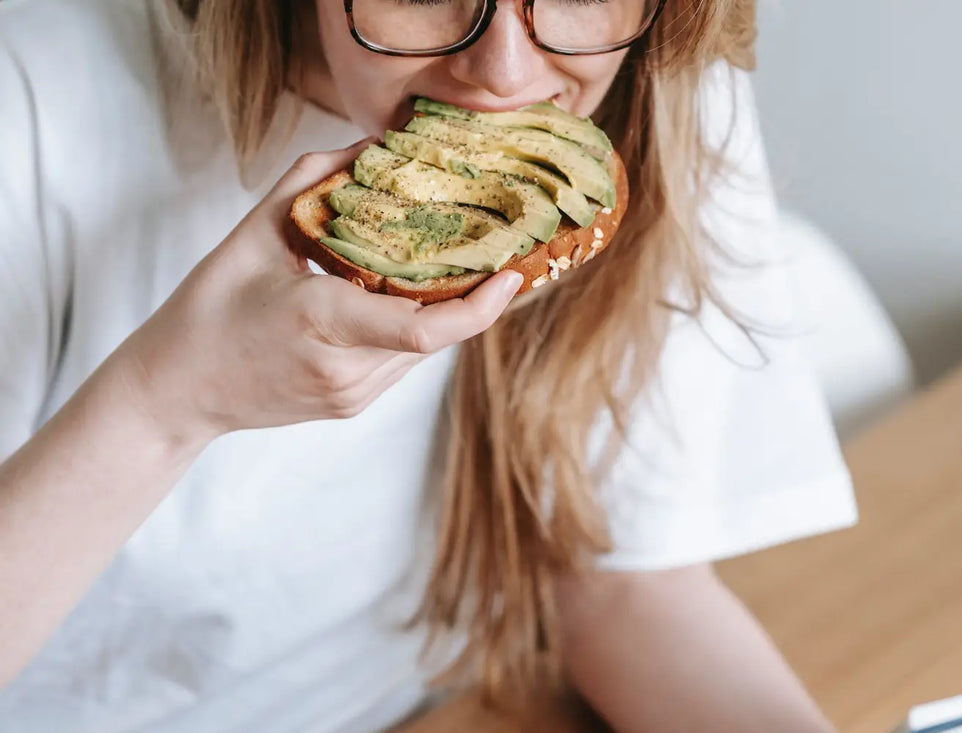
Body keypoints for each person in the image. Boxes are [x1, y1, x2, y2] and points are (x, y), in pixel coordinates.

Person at [0, 0, 858, 730]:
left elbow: (622, 585)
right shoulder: (33, 94)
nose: (505, 74)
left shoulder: (652, 81)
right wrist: (164, 405)